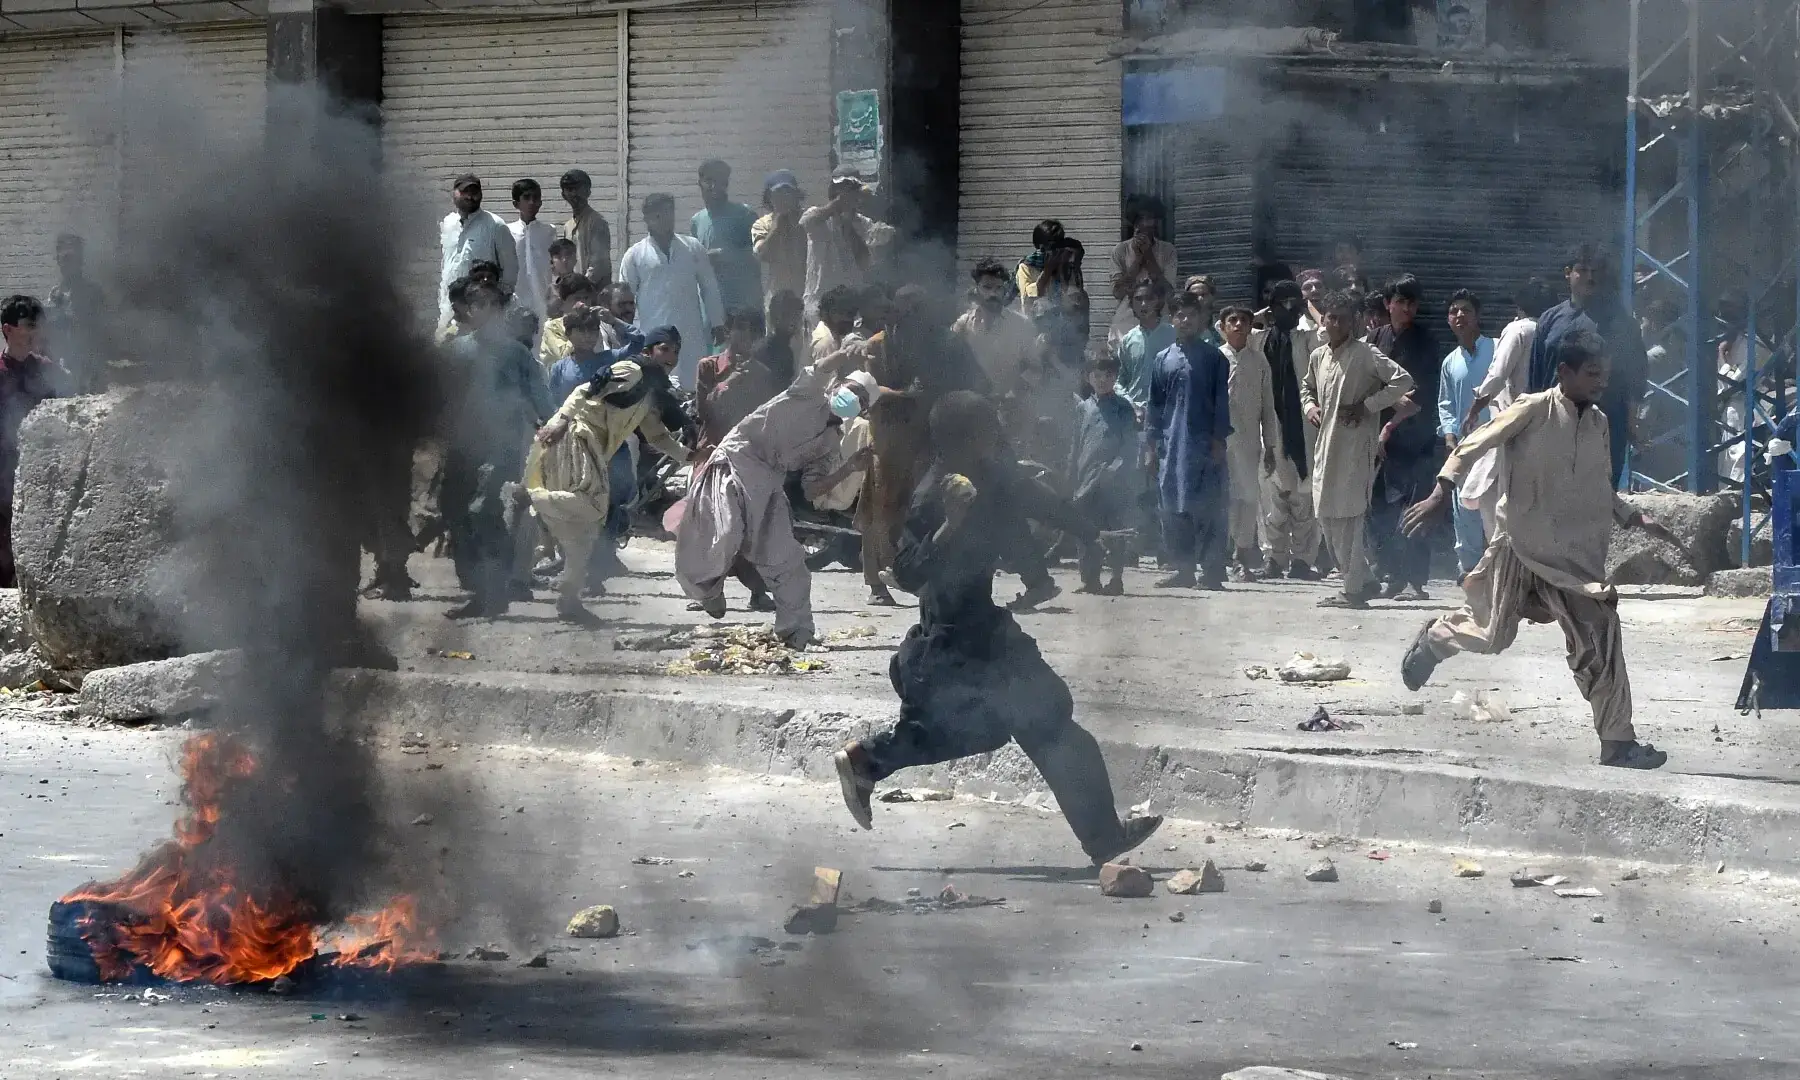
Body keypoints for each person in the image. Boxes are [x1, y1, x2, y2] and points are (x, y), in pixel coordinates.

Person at [830, 390, 1164, 864]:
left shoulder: (991, 477)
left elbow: (1040, 500)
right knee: (1048, 720)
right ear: (966, 439)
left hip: (979, 636)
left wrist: (1092, 532)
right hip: (953, 644)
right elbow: (906, 573)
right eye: (989, 431)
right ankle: (1105, 839)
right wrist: (951, 524)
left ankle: (868, 759)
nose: (997, 439)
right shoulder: (934, 494)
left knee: (991, 730)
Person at [1400, 329, 1673, 770]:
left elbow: (1597, 486)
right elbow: (1474, 443)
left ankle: (1617, 742)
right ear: (1564, 372)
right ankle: (1437, 637)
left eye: (1603, 374)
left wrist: (1631, 516)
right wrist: (1439, 492)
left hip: (1572, 561)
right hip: (1519, 547)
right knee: (1492, 637)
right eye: (1591, 373)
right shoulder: (1531, 409)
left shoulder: (1600, 424)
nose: (1600, 382)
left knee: (1600, 635)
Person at [675, 341, 878, 647]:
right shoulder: (808, 395)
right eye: (852, 389)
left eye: (860, 399)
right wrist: (845, 354)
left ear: (862, 410)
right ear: (838, 385)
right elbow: (819, 369)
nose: (853, 398)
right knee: (726, 532)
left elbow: (813, 490)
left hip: (769, 483)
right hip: (738, 459)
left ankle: (796, 629)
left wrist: (848, 468)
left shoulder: (830, 444)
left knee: (787, 559)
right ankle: (707, 590)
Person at [529, 352, 691, 625]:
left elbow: (658, 437)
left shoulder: (648, 398)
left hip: (588, 447)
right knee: (592, 504)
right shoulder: (631, 371)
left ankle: (568, 600)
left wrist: (691, 457)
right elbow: (586, 389)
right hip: (576, 436)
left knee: (588, 528)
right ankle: (533, 497)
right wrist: (561, 421)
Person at [440, 280, 553, 619]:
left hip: (502, 445)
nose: (485, 313)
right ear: (470, 311)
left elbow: (541, 398)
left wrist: (550, 428)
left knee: (484, 508)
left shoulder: (516, 354)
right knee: (454, 509)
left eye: (492, 306)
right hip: (463, 444)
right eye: (478, 306)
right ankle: (480, 586)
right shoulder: (457, 350)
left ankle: (497, 587)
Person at [1303, 290, 1416, 608]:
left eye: (1342, 317)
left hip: (1354, 447)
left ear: (1353, 322)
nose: (1336, 323)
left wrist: (1368, 406)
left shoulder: (1365, 354)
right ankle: (1362, 579)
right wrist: (1310, 407)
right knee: (1325, 512)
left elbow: (1402, 381)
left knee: (1350, 514)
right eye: (1331, 317)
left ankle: (1353, 589)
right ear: (1323, 320)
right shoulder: (1318, 356)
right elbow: (1307, 387)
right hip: (1326, 445)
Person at [1527, 244, 1647, 487]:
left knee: (1598, 499)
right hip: (1556, 424)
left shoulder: (1621, 322)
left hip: (1606, 424)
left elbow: (1636, 374)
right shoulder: (1550, 320)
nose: (1590, 277)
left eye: (1596, 271)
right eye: (1582, 270)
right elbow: (1537, 376)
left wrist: (1632, 420)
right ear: (1568, 273)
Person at [1147, 290, 1232, 590]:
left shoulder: (1214, 358)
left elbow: (1222, 402)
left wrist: (1219, 440)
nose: (1185, 320)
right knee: (1172, 506)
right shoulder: (1162, 360)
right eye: (1179, 315)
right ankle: (1182, 570)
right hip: (1172, 446)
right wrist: (1151, 445)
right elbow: (1154, 404)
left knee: (1209, 506)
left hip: (1204, 444)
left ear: (1201, 319)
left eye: (1191, 315)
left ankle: (1211, 572)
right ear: (1172, 319)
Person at [1462, 277, 1556, 536]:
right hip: (1541, 425)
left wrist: (1475, 406)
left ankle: (1499, 559)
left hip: (1509, 425)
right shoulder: (1553, 330)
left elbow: (1498, 374)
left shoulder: (1518, 331)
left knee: (1495, 495)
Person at [1371, 274, 1442, 601]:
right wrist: (1385, 414)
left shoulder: (1427, 341)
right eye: (1399, 301)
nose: (1406, 308)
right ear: (1388, 304)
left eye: (1411, 302)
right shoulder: (1375, 339)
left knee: (1415, 510)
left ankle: (1415, 581)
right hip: (1381, 442)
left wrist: (1392, 419)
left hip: (1416, 439)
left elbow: (1422, 392)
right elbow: (1370, 386)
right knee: (1382, 511)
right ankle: (1390, 575)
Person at [618, 192, 726, 389]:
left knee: (695, 385)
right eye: (658, 215)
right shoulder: (635, 255)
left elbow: (709, 287)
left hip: (690, 331)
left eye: (669, 213)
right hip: (652, 334)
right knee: (656, 388)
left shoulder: (692, 247)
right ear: (647, 219)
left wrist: (718, 323)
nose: (665, 220)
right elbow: (624, 298)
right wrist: (624, 332)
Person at [1251, 281, 1322, 579]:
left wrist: (1310, 310)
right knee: (1271, 497)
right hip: (1269, 428)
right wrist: (1263, 313)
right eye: (1283, 303)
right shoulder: (1260, 339)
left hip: (1304, 427)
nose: (1289, 309)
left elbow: (1329, 333)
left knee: (1305, 498)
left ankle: (1303, 562)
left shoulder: (1307, 337)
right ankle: (1274, 560)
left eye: (1295, 303)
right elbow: (1222, 327)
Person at [0, 296, 61, 587]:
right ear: (8, 329)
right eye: (29, 325)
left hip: (43, 483)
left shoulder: (50, 371)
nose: (37, 331)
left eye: (39, 324)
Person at [1067, 349, 1137, 595]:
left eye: (1108, 375)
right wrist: (1071, 476)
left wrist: (1115, 469)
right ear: (1088, 378)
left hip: (1115, 482)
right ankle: (1090, 579)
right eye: (1097, 375)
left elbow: (1130, 445)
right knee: (1086, 530)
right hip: (1085, 480)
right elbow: (1076, 445)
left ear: (1115, 377)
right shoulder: (1082, 408)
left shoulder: (1123, 409)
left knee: (1115, 529)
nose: (1102, 380)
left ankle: (1116, 578)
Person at [1436, 289, 1495, 576]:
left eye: (1466, 310)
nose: (1460, 315)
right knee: (1464, 508)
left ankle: (1500, 568)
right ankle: (1470, 569)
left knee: (1497, 507)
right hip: (1465, 447)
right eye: (1454, 311)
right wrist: (1449, 436)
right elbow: (1445, 403)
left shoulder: (1496, 349)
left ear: (1478, 315)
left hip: (1497, 442)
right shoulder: (1450, 362)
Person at [1219, 304, 1281, 578]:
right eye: (1232, 320)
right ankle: (1215, 557)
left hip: (1247, 442)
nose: (1239, 325)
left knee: (1247, 498)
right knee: (1222, 499)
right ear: (1222, 327)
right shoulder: (1216, 357)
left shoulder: (1259, 361)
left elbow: (1268, 407)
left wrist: (1270, 445)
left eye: (1245, 320)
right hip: (1218, 442)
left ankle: (1241, 555)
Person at [439, 175, 518, 333]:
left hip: (482, 318)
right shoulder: (448, 223)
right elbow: (446, 269)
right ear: (454, 193)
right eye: (464, 192)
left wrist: (492, 307)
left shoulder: (495, 225)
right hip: (450, 314)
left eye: (474, 192)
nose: (469, 196)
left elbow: (510, 273)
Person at [694, 307, 777, 457]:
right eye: (741, 328)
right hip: (714, 449)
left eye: (754, 330)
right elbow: (704, 414)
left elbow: (767, 419)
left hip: (749, 452)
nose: (747, 334)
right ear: (728, 331)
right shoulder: (708, 367)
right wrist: (730, 382)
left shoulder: (762, 374)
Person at [952, 259, 1039, 401]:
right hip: (971, 406)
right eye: (987, 287)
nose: (993, 294)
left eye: (998, 288)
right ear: (976, 289)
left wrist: (1015, 393)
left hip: (1009, 409)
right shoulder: (964, 324)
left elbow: (1035, 368)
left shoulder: (1022, 325)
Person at [800, 168, 875, 320]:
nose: (847, 193)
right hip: (820, 302)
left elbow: (866, 263)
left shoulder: (864, 223)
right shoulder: (818, 215)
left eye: (852, 188)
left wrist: (849, 228)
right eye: (843, 187)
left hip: (852, 305)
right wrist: (836, 206)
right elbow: (805, 223)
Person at [691, 159, 762, 318]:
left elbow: (759, 256)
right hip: (711, 309)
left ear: (727, 184)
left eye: (720, 181)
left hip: (742, 307)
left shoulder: (744, 215)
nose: (714, 186)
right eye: (709, 181)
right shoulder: (697, 221)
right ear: (700, 183)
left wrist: (727, 256)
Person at [44, 233, 108, 393]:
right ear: (58, 261)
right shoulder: (54, 295)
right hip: (63, 370)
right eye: (64, 259)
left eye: (72, 258)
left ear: (81, 261)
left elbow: (103, 333)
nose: (67, 264)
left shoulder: (94, 293)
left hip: (90, 369)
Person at [546, 305, 646, 404]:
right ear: (568, 334)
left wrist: (613, 321)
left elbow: (640, 342)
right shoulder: (559, 368)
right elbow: (553, 404)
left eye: (593, 330)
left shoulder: (611, 358)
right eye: (581, 330)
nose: (588, 336)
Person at [1109, 200, 1178, 344]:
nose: (1146, 224)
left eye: (1150, 219)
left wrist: (1149, 256)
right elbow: (1118, 292)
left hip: (1160, 320)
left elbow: (1168, 292)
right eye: (1141, 219)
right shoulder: (1121, 250)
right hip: (1126, 322)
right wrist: (1138, 259)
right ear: (1134, 224)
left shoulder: (1167, 250)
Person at [1113, 281, 1175, 413]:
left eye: (1149, 298)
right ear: (1132, 304)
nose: (1143, 304)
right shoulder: (1128, 340)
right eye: (1138, 299)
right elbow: (1119, 381)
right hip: (1137, 414)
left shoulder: (1174, 335)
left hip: (1170, 412)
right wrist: (1131, 406)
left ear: (1158, 302)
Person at [751, 170, 808, 309]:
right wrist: (778, 224)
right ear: (769, 198)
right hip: (778, 298)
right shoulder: (762, 224)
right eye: (778, 194)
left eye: (788, 192)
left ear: (796, 195)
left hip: (809, 295)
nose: (784, 198)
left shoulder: (809, 219)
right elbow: (762, 255)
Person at [508, 178, 556, 340]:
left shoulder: (548, 231)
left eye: (536, 198)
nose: (532, 202)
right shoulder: (507, 232)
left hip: (542, 299)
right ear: (516, 204)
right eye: (526, 198)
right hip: (515, 300)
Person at [559, 168, 613, 287]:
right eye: (569, 189)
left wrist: (582, 287)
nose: (574, 194)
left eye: (578, 188)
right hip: (576, 294)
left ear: (588, 192)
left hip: (594, 292)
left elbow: (599, 265)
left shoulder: (597, 222)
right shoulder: (568, 226)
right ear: (563, 195)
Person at [1017, 220, 1085, 310]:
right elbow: (1027, 303)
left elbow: (1073, 300)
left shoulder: (1067, 266)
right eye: (1051, 247)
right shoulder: (1026, 267)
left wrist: (1061, 269)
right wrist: (1047, 271)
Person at [810, 284, 861, 363]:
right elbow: (827, 374)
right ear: (832, 312)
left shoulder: (833, 331)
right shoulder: (826, 343)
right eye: (848, 313)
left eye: (853, 314)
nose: (850, 319)